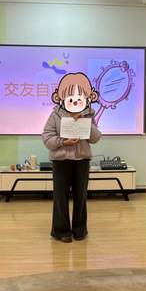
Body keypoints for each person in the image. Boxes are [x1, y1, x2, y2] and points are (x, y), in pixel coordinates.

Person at [42, 72, 102, 243]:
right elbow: (47, 138)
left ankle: (80, 230)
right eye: (70, 95)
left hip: (82, 161)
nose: (75, 100)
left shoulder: (89, 113)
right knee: (60, 198)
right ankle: (62, 231)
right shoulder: (56, 115)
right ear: (61, 96)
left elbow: (95, 138)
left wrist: (86, 124)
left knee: (81, 197)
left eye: (79, 95)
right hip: (61, 161)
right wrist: (63, 142)